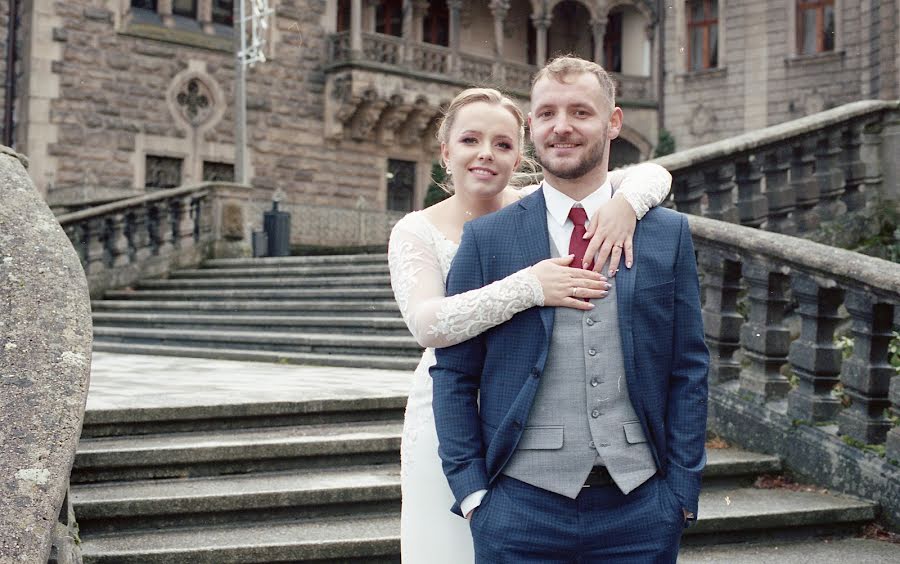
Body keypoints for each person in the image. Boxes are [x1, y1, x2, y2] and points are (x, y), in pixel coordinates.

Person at [430, 56, 709, 563]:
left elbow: (688, 367)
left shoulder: (665, 234)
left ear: (613, 122)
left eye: (581, 112)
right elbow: (453, 373)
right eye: (547, 113)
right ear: (531, 125)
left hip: (642, 509)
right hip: (518, 509)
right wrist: (474, 495)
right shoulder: (488, 238)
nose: (562, 127)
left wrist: (681, 495)